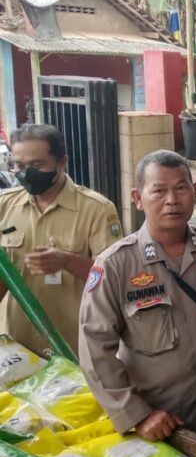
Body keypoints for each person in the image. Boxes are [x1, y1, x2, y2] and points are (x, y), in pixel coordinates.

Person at [78, 150, 196, 443]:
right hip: (157, 427)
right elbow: (94, 350)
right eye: (159, 191)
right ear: (138, 198)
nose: (172, 200)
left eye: (181, 188)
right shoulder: (115, 265)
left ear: (195, 192)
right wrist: (136, 414)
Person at [0, 124, 122, 355]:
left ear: (62, 162)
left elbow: (114, 278)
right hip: (24, 349)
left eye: (37, 165)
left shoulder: (96, 209)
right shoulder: (5, 206)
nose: (27, 173)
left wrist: (66, 261)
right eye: (20, 166)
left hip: (78, 349)